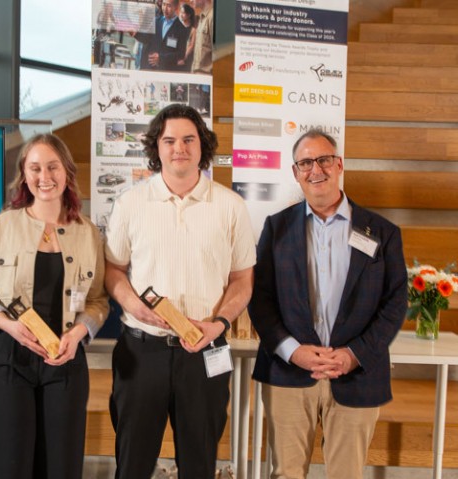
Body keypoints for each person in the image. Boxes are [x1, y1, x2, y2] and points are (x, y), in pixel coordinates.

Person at [105, 104, 256, 478]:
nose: (179, 148)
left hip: (205, 351)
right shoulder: (129, 204)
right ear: (156, 148)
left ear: (202, 145)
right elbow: (113, 271)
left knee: (200, 463)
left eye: (189, 139)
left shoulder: (231, 206)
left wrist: (218, 324)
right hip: (142, 350)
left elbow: (243, 280)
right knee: (133, 463)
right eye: (169, 140)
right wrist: (133, 305)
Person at [249, 129, 408, 479]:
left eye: (323, 160)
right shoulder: (276, 228)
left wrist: (355, 354)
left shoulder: (381, 232)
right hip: (290, 372)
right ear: (295, 172)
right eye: (305, 162)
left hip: (357, 374)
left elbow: (395, 303)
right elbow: (259, 298)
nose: (315, 169)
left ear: (339, 165)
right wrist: (292, 350)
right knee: (286, 474)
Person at [0, 133, 109, 479]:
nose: (45, 176)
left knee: (60, 466)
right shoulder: (3, 226)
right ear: (24, 175)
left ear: (67, 172)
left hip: (65, 360)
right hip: (9, 359)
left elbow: (98, 300)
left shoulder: (88, 233)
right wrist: (8, 324)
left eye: (53, 167)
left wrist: (80, 332)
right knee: (6, 464)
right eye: (35, 168)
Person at [132, 0, 189, 71]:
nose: (165, 8)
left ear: (176, 7)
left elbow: (181, 54)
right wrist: (134, 33)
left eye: (169, 6)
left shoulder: (181, 29)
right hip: (149, 69)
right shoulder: (156, 21)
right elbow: (146, 39)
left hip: (166, 72)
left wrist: (161, 58)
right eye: (164, 4)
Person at [191, 0, 213, 74]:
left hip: (207, 77)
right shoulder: (202, 17)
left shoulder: (212, 17)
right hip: (198, 75)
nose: (190, 1)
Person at [177, 2, 196, 71]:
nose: (181, 15)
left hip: (187, 59)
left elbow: (191, 45)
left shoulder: (193, 30)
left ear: (188, 15)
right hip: (177, 58)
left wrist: (183, 58)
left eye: (183, 13)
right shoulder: (178, 27)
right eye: (180, 12)